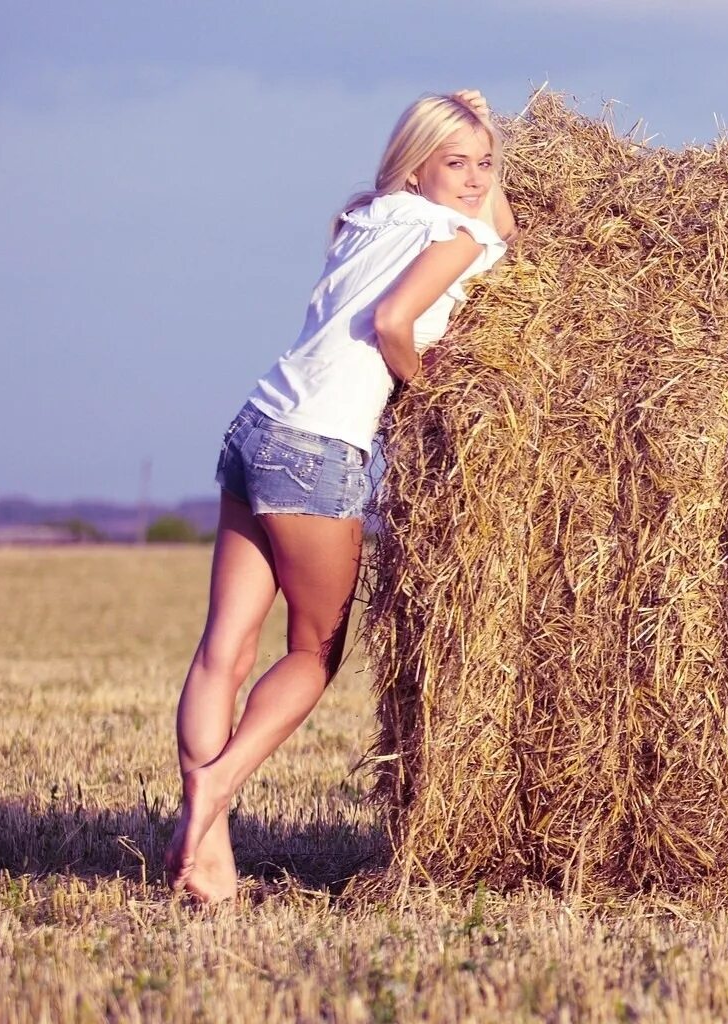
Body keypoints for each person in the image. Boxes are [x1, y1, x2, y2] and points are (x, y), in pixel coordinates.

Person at [166, 90, 515, 904]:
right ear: (418, 166)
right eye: (455, 164)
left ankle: (208, 859)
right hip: (319, 449)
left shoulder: (372, 214)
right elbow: (401, 316)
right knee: (312, 653)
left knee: (225, 646)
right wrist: (421, 392)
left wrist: (474, 126)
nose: (473, 181)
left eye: (484, 165)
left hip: (255, 427)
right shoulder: (458, 235)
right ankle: (216, 792)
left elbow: (476, 209)